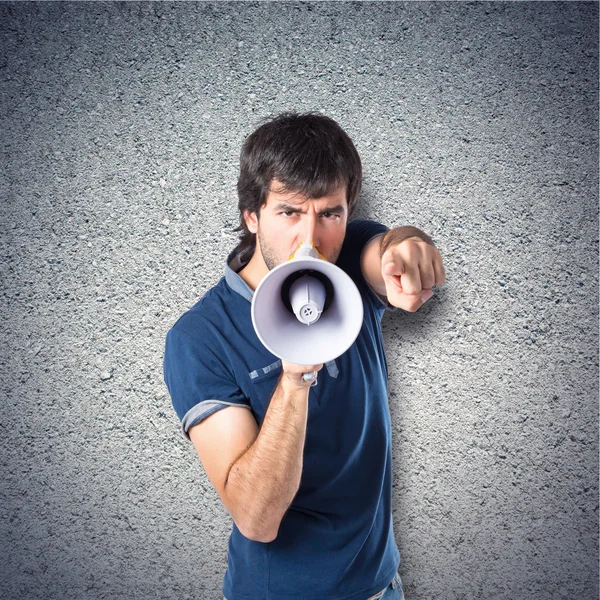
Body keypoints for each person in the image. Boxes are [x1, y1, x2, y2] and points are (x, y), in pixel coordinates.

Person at [164, 112, 445, 600]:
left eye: (329, 212)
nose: (311, 238)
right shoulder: (199, 339)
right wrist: (295, 376)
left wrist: (410, 245)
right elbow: (256, 518)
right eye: (289, 212)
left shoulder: (348, 259)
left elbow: (388, 250)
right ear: (252, 215)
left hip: (383, 588)